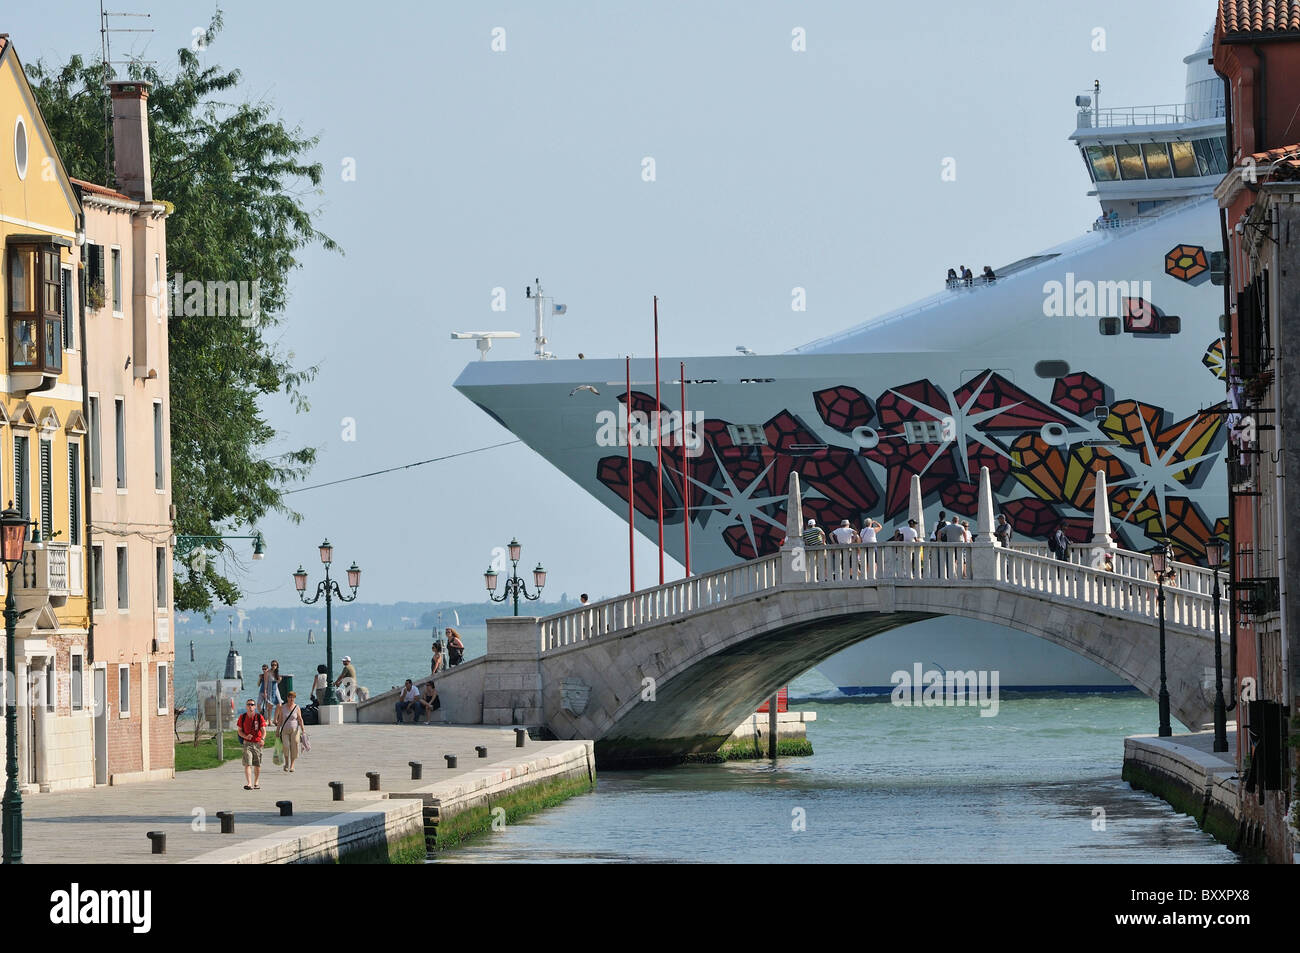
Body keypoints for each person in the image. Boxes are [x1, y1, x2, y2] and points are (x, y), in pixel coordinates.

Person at [236, 699, 267, 790]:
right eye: (248, 704)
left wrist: (262, 739)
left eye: (252, 705)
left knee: (257, 764)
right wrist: (245, 736)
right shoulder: (243, 717)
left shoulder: (259, 717)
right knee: (248, 763)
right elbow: (239, 731)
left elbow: (263, 731)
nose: (250, 706)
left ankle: (256, 782)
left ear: (255, 706)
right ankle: (249, 783)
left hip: (257, 743)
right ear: (246, 706)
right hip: (247, 743)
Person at [277, 691, 305, 772]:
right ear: (287, 698)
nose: (291, 699)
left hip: (295, 730)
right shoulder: (283, 707)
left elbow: (300, 719)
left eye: (293, 697)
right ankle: (286, 763)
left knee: (295, 744)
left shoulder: (297, 707)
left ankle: (292, 765)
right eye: (290, 697)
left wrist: (303, 730)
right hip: (284, 730)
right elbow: (280, 720)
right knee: (286, 746)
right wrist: (277, 730)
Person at [268, 659, 284, 723]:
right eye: (272, 665)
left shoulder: (277, 673)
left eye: (275, 665)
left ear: (277, 666)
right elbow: (266, 682)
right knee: (270, 705)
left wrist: (279, 680)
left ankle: (275, 719)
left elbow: (277, 683)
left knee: (279, 704)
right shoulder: (268, 672)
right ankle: (269, 721)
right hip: (270, 689)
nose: (273, 666)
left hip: (276, 689)